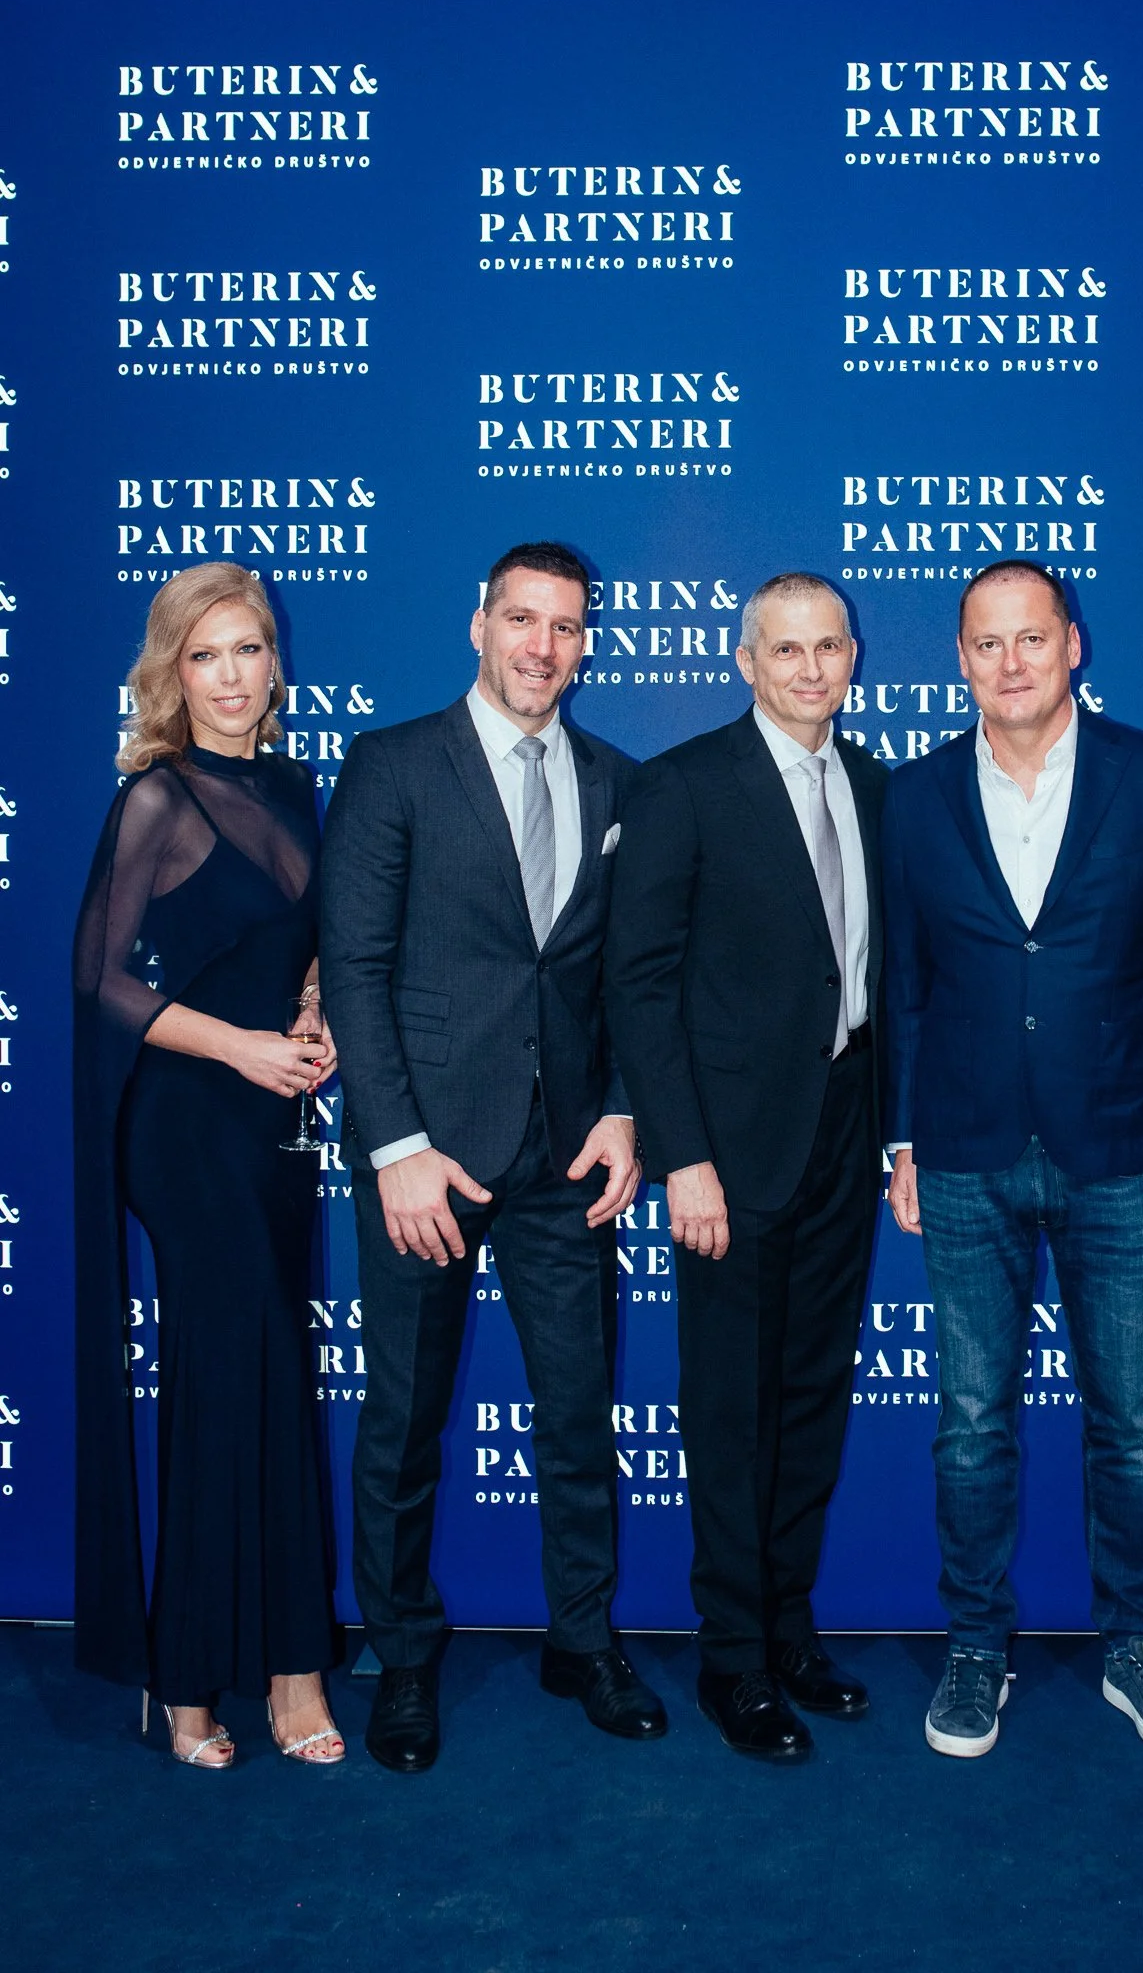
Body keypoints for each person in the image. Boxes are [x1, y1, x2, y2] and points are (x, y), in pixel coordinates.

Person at [884, 560, 1143, 1761]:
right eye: (986, 643)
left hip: (1122, 1146)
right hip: (964, 1148)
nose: (1010, 662)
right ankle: (974, 1646)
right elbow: (902, 983)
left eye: (1030, 638)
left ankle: (1136, 1647)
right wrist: (903, 1138)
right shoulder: (915, 794)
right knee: (969, 1422)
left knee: (1130, 1423)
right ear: (960, 658)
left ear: (1072, 645)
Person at [320, 540, 662, 1774]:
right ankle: (404, 1656)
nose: (541, 646)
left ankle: (584, 1639)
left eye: (564, 626)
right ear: (480, 624)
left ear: (587, 643)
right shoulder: (393, 763)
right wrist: (397, 1145)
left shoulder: (617, 780)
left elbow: (625, 976)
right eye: (522, 619)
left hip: (564, 1161)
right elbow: (355, 967)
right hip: (427, 1158)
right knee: (404, 1418)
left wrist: (621, 1109)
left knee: (576, 1414)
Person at [604, 573, 886, 1763]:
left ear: (853, 656)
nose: (810, 668)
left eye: (828, 647)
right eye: (786, 649)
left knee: (812, 1394)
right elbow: (637, 984)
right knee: (730, 1406)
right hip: (727, 1148)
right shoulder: (684, 784)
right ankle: (732, 1659)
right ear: (745, 660)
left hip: (845, 1128)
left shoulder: (872, 781)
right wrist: (683, 1158)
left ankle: (788, 1629)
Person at [73, 562, 343, 1768]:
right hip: (185, 1126)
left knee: (274, 1376)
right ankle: (192, 1677)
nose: (231, 676)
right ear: (172, 673)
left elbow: (298, 943)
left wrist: (314, 1007)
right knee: (231, 1374)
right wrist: (238, 1043)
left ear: (273, 662)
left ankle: (288, 1663)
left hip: (273, 1126)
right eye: (205, 655)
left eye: (248, 649)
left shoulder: (294, 784)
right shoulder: (157, 797)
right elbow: (100, 978)